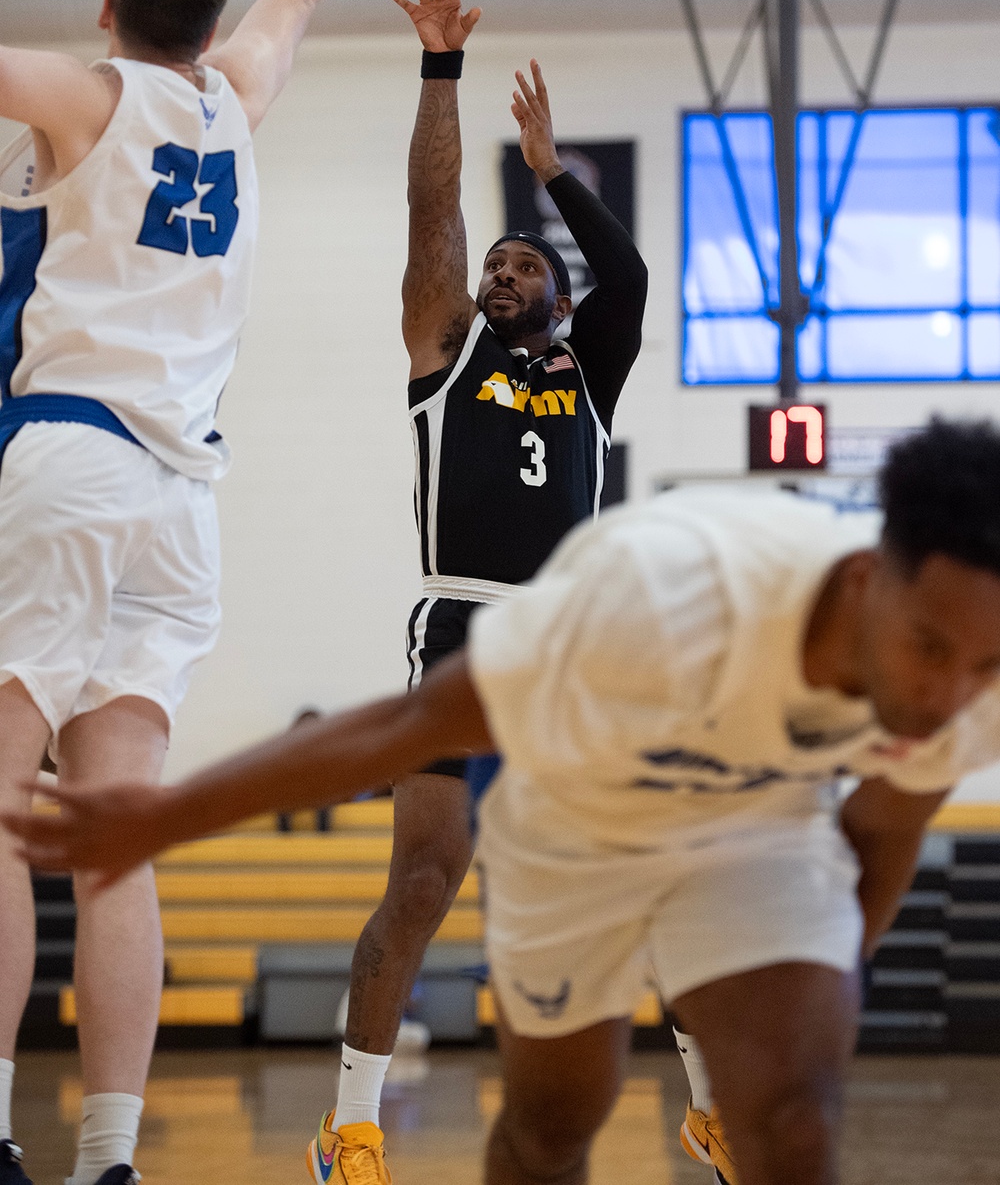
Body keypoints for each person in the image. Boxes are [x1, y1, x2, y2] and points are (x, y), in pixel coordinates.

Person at [10, 418, 1000, 1185]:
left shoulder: (971, 675)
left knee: (792, 1119)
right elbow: (404, 729)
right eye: (927, 650)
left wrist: (818, 982)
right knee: (552, 1126)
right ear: (869, 580)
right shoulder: (663, 591)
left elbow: (883, 828)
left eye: (982, 665)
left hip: (757, 825)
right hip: (577, 820)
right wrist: (163, 815)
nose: (948, 691)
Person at [0, 0, 412, 1185]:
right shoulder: (236, 95)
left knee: (0, 807)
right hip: (184, 506)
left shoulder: (82, 91)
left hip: (72, 454)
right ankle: (112, 1158)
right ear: (204, 26)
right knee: (119, 838)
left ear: (111, 14)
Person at [310, 0, 647, 1181]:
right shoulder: (444, 357)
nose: (499, 273)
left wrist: (551, 170)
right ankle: (350, 1126)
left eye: (522, 266)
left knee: (633, 873)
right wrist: (441, 74)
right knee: (419, 883)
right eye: (491, 267)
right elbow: (432, 209)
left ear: (556, 294)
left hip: (566, 642)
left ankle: (702, 1103)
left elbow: (634, 281)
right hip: (459, 630)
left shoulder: (587, 375)